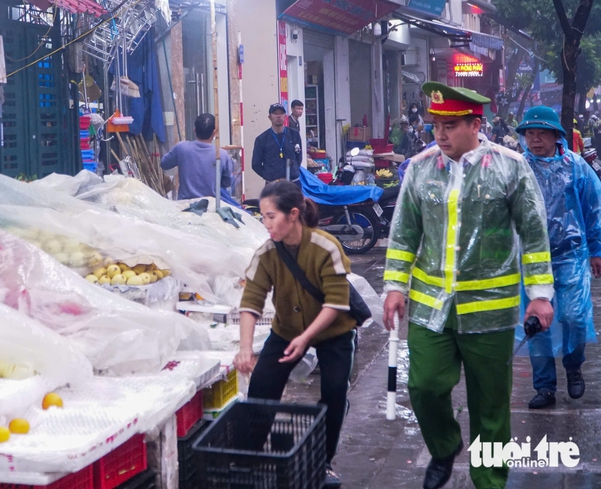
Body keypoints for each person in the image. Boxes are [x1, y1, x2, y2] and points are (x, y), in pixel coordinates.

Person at [383, 82, 554, 489]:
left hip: (491, 312)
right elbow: (404, 233)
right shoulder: (421, 168)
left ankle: (490, 482)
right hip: (430, 308)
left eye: (451, 125)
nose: (440, 134)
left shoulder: (511, 167)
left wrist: (540, 296)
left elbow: (534, 234)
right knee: (423, 386)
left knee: (490, 407)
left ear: (475, 125)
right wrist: (394, 285)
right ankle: (444, 447)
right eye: (436, 125)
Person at [234, 181, 357, 489]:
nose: (266, 224)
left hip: (334, 333)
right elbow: (251, 301)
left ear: (292, 215)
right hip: (286, 330)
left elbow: (337, 303)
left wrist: (306, 339)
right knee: (261, 385)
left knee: (333, 391)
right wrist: (246, 347)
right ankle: (247, 463)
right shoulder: (266, 254)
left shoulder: (326, 247)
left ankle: (323, 462)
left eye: (271, 216)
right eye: (263, 217)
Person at [515, 106, 601, 409]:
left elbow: (594, 208)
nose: (535, 139)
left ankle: (574, 365)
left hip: (571, 254)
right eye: (529, 133)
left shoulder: (576, 166)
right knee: (537, 322)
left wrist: (597, 249)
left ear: (555, 135)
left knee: (575, 317)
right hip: (532, 257)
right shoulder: (518, 167)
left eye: (541, 133)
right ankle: (545, 386)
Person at [160, 113, 233, 200]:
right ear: (214, 132)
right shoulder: (221, 154)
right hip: (211, 206)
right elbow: (227, 182)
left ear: (194, 130)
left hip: (185, 206)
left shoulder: (182, 148)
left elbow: (164, 163)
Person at [252, 103, 303, 188]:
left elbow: (299, 157)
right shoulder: (262, 139)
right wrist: (268, 175)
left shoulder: (294, 135)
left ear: (285, 116)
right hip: (272, 184)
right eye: (275, 113)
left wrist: (294, 170)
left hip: (293, 183)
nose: (278, 116)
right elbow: (255, 164)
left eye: (281, 113)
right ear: (269, 117)